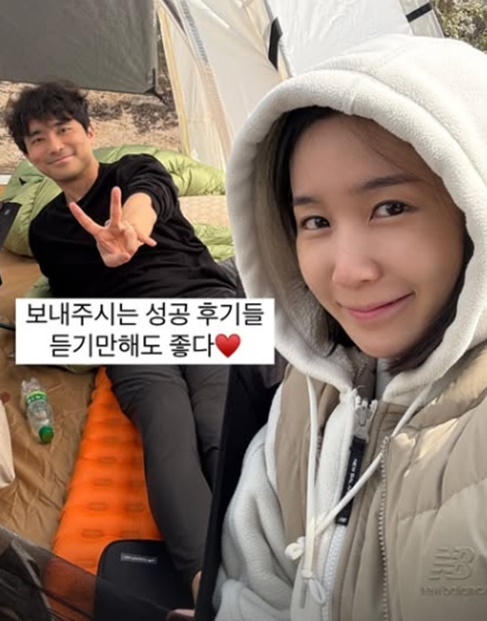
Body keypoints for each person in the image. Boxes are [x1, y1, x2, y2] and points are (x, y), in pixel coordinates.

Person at [210, 33, 487, 621]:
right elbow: (253, 588)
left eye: (391, 208)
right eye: (315, 221)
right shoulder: (305, 401)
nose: (348, 271)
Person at [4, 81, 237, 605]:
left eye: (64, 129)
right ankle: (207, 589)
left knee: (218, 419)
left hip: (202, 305)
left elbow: (147, 200)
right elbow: (72, 300)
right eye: (38, 139)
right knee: (166, 427)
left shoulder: (134, 170)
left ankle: (259, 561)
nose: (54, 145)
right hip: (127, 330)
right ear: (29, 155)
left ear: (90, 132)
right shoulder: (46, 230)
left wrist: (127, 231)